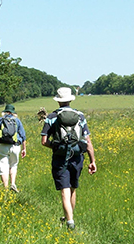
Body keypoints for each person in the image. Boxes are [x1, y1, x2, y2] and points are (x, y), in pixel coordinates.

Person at [41, 87, 97, 231]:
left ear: (58, 101)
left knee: (64, 190)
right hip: (78, 157)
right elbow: (88, 141)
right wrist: (92, 161)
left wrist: (56, 146)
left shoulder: (52, 117)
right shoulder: (80, 115)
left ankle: (70, 221)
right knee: (72, 189)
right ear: (70, 100)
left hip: (60, 158)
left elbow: (44, 141)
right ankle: (69, 218)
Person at [0, 104, 27, 192]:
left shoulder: (0, 120)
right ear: (13, 112)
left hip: (2, 146)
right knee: (13, 165)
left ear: (5, 111)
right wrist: (24, 148)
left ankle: (5, 188)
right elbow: (23, 136)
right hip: (15, 146)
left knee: (3, 166)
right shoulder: (17, 121)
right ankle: (13, 184)